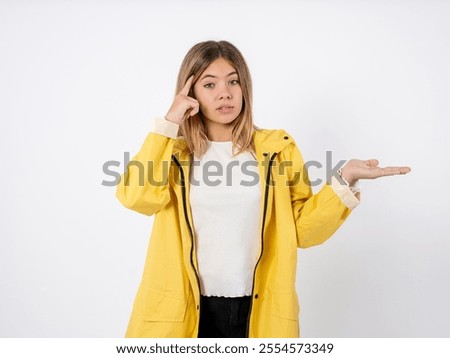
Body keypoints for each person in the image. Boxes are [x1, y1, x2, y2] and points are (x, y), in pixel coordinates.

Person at [115, 40, 410, 338]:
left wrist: (343, 180)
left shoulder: (277, 149)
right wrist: (169, 123)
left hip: (257, 311)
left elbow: (302, 231)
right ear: (189, 93)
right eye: (209, 84)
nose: (225, 93)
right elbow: (137, 198)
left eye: (233, 81)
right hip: (184, 312)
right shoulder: (173, 152)